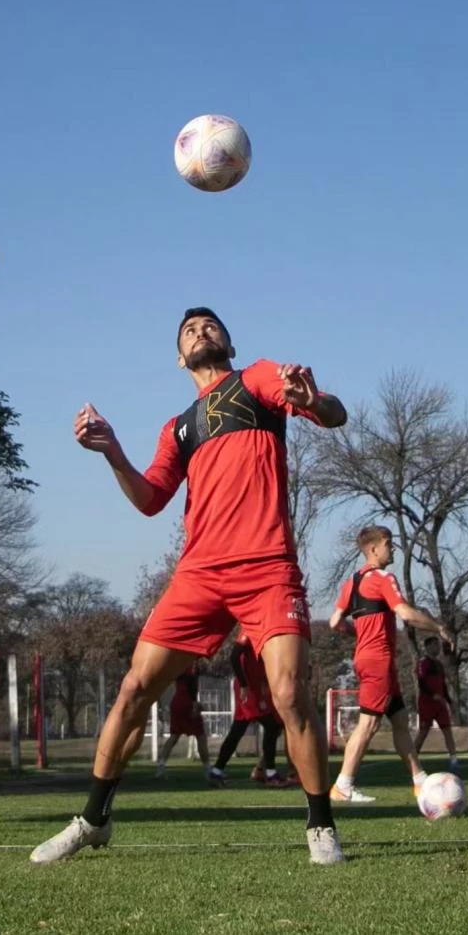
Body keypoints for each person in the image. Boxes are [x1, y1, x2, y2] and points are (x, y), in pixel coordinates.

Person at [31, 309, 347, 866]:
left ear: (227, 340)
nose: (201, 331)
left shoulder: (258, 380)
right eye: (189, 331)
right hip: (199, 575)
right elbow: (152, 498)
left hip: (267, 567)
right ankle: (92, 819)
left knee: (291, 694)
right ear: (180, 357)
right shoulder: (178, 426)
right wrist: (112, 452)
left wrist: (312, 399)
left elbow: (334, 414)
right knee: (133, 691)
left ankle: (321, 826)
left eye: (210, 326)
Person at [328, 525, 451, 804]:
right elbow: (405, 614)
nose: (393, 549)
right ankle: (343, 786)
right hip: (377, 660)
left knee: (399, 722)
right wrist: (437, 627)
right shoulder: (384, 578)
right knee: (368, 724)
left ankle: (419, 781)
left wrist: (359, 632)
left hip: (366, 658)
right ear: (374, 548)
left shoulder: (352, 583)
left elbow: (336, 622)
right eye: (389, 544)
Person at [209, 630, 288, 787]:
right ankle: (270, 774)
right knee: (272, 726)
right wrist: (244, 684)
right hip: (249, 688)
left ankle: (217, 771)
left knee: (239, 729)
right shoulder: (249, 631)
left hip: (255, 686)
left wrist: (264, 680)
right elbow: (234, 657)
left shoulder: (264, 631)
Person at [154, 664, 210, 778]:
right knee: (200, 735)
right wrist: (194, 703)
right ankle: (208, 769)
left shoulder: (179, 663)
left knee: (174, 736)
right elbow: (192, 684)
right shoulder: (192, 664)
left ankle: (160, 766)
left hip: (177, 701)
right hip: (187, 702)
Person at [413, 635, 458, 768]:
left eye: (438, 645)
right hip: (427, 702)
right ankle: (413, 759)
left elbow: (443, 684)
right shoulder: (423, 663)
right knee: (424, 731)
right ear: (427, 647)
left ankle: (454, 759)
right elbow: (421, 682)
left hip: (440, 703)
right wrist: (432, 695)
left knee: (447, 730)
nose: (437, 648)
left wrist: (449, 701)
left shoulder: (439, 664)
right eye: (434, 645)